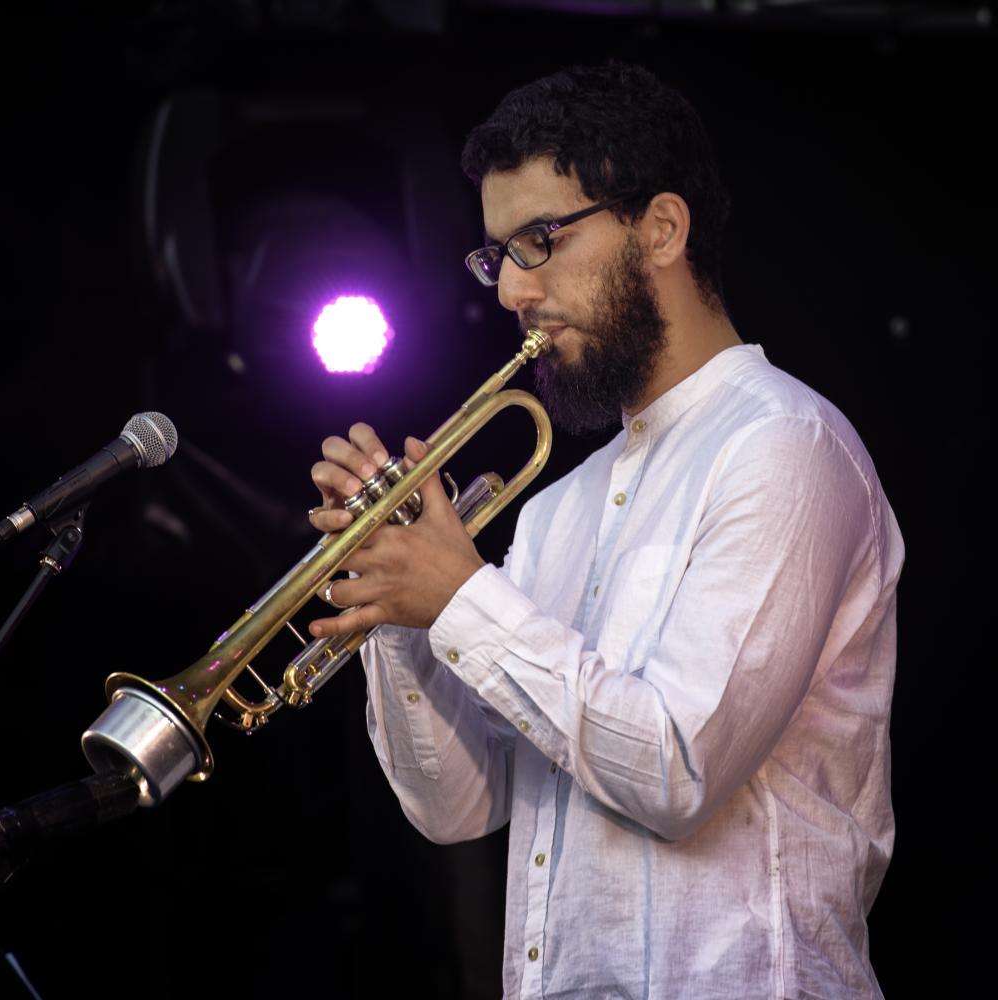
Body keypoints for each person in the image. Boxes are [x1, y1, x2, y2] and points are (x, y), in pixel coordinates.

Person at [306, 63, 903, 1000]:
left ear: (661, 228)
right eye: (495, 254)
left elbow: (676, 773)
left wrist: (460, 596)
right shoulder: (556, 507)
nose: (509, 289)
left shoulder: (783, 445)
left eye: (538, 240)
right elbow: (460, 810)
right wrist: (399, 607)